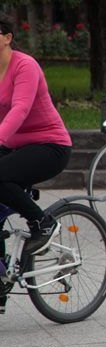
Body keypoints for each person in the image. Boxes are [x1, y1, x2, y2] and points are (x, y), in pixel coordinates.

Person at [0, 14, 72, 256]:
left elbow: (20, 109)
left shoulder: (25, 66)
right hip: (14, 145)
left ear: (8, 38)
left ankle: (42, 223)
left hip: (50, 146)